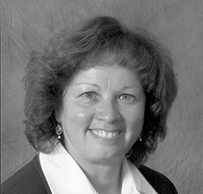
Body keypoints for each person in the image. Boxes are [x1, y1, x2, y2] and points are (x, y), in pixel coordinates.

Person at [2, 16, 178, 194]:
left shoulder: (161, 188)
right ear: (55, 107)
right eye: (89, 95)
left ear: (146, 110)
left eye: (126, 96)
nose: (109, 115)